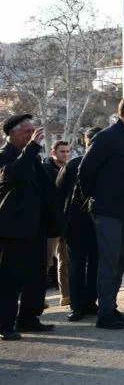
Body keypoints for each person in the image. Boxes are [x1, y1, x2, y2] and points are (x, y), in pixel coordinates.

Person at [78, 96, 124, 330]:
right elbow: (85, 171)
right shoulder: (106, 138)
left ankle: (111, 307)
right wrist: (96, 197)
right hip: (107, 211)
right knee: (108, 262)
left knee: (120, 261)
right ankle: (104, 314)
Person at [0, 115, 57, 340]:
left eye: (34, 131)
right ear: (11, 133)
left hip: (35, 228)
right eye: (27, 132)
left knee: (36, 276)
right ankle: (5, 323)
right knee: (10, 279)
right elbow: (13, 174)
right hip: (12, 231)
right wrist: (32, 147)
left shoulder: (32, 157)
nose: (32, 136)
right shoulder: (5, 156)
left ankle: (29, 317)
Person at [56, 127, 102, 322]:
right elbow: (58, 193)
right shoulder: (73, 165)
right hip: (76, 223)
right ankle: (77, 305)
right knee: (76, 266)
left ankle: (90, 303)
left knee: (94, 266)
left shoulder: (105, 165)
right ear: (85, 142)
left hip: (98, 223)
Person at [43, 140, 71, 306]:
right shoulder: (45, 170)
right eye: (62, 151)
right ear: (53, 152)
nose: (65, 154)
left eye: (68, 151)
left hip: (65, 220)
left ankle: (66, 296)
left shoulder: (69, 168)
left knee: (65, 260)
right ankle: (38, 298)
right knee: (45, 261)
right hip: (49, 222)